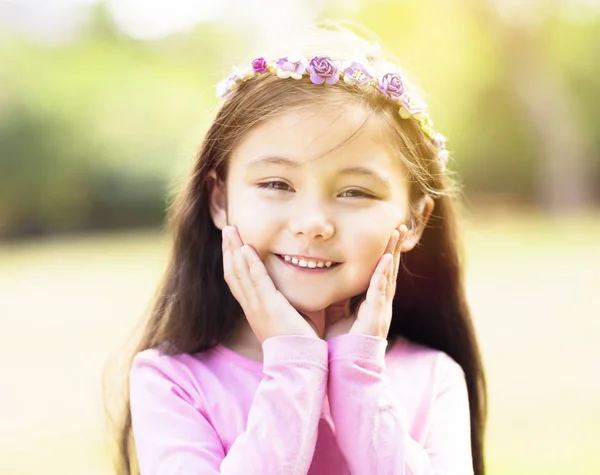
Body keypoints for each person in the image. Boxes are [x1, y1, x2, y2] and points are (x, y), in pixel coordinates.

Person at [111, 21, 487, 475]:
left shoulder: (433, 378)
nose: (313, 224)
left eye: (355, 193)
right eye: (276, 183)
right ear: (220, 200)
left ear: (412, 221)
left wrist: (357, 379)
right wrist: (293, 365)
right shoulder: (173, 381)